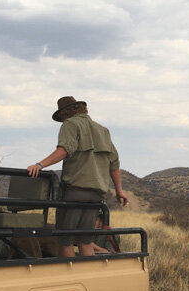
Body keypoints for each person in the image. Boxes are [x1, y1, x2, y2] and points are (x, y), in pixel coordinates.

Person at [27, 96, 128, 258]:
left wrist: (40, 165)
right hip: (96, 195)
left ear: (64, 113)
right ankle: (89, 276)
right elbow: (114, 163)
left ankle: (71, 276)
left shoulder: (70, 124)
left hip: (75, 192)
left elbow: (64, 150)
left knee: (65, 240)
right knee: (85, 241)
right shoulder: (103, 130)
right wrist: (119, 190)